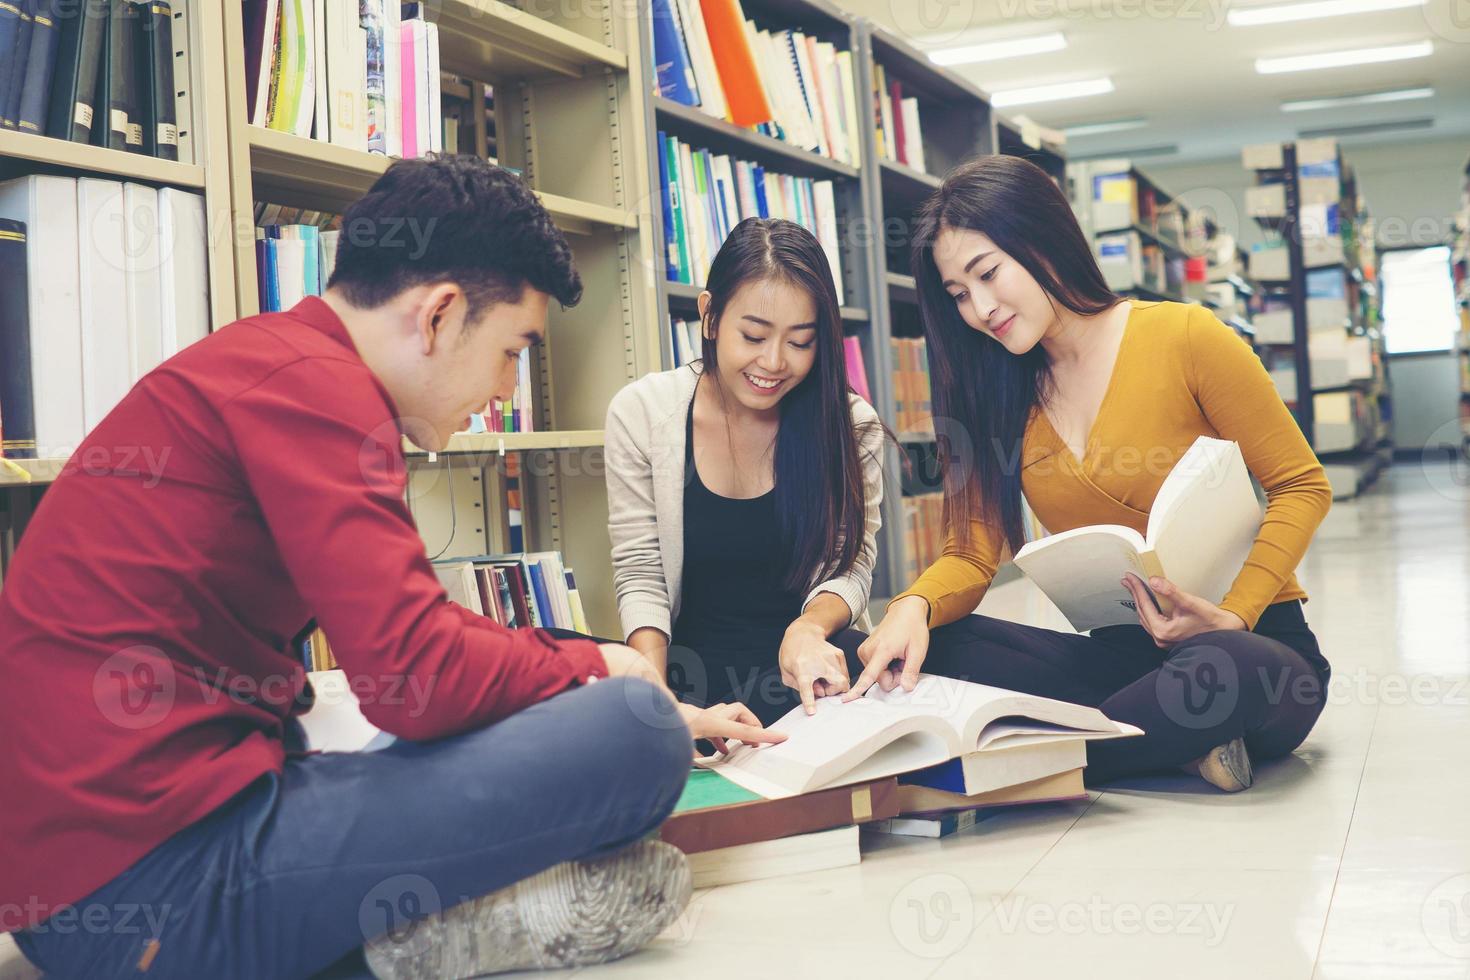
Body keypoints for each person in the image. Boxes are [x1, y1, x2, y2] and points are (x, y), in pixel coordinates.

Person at [0, 157, 782, 980]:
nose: (503, 390)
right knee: (639, 732)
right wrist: (601, 663)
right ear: (440, 315)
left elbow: (411, 643)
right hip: (151, 891)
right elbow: (419, 675)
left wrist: (553, 678)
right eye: (513, 350)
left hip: (101, 874)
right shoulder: (317, 391)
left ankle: (385, 934)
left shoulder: (276, 361)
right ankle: (407, 937)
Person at [849, 155, 1333, 792]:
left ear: (1042, 240)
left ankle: (1032, 755)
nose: (981, 308)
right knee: (932, 642)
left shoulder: (1185, 335)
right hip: (1125, 659)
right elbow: (970, 554)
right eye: (959, 295)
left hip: (1251, 644)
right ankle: (1165, 741)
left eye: (988, 273)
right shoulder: (993, 396)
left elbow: (1302, 483)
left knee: (1226, 669)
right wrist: (911, 606)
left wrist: (1235, 615)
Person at [605, 217, 887, 725]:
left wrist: (806, 630)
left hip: (812, 676)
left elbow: (852, 563)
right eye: (754, 335)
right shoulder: (642, 413)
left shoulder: (849, 424)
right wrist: (656, 705)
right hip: (689, 681)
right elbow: (641, 573)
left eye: (801, 342)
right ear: (709, 317)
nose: (774, 362)